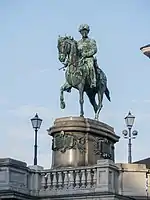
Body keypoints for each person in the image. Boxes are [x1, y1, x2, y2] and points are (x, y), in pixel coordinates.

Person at [77, 24, 97, 88]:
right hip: (80, 59)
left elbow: (94, 50)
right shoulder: (78, 42)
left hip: (89, 58)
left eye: (85, 31)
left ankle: (93, 81)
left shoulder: (91, 41)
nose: (84, 33)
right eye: (82, 31)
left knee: (91, 67)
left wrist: (86, 54)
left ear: (88, 32)